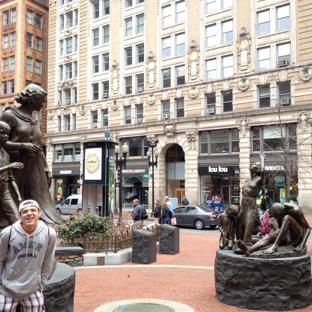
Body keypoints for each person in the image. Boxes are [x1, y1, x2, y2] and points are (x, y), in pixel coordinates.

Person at [0, 84, 63, 225]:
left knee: (39, 200)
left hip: (35, 164)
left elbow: (39, 147)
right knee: (14, 199)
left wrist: (46, 168)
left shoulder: (36, 121)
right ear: (33, 99)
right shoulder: (10, 115)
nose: (44, 103)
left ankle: (37, 225)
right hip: (15, 164)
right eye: (42, 100)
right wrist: (21, 146)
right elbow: (2, 142)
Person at [0, 199, 56, 311]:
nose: (29, 213)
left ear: (39, 213)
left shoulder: (49, 233)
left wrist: (41, 284)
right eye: (25, 211)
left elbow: (48, 261)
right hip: (7, 288)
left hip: (33, 288)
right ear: (20, 216)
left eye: (33, 210)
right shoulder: (8, 233)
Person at [237, 153, 265, 243]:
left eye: (255, 165)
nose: (252, 165)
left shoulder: (259, 180)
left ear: (258, 169)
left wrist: (262, 160)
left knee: (246, 239)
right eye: (253, 164)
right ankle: (262, 238)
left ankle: (265, 240)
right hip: (243, 208)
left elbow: (263, 172)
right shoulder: (247, 180)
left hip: (251, 208)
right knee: (239, 237)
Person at [0, 121, 24, 228]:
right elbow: (8, 169)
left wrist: (18, 197)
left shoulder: (6, 154)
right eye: (2, 133)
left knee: (17, 221)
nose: (5, 136)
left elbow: (11, 178)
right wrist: (9, 166)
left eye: (7, 134)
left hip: (3, 191)